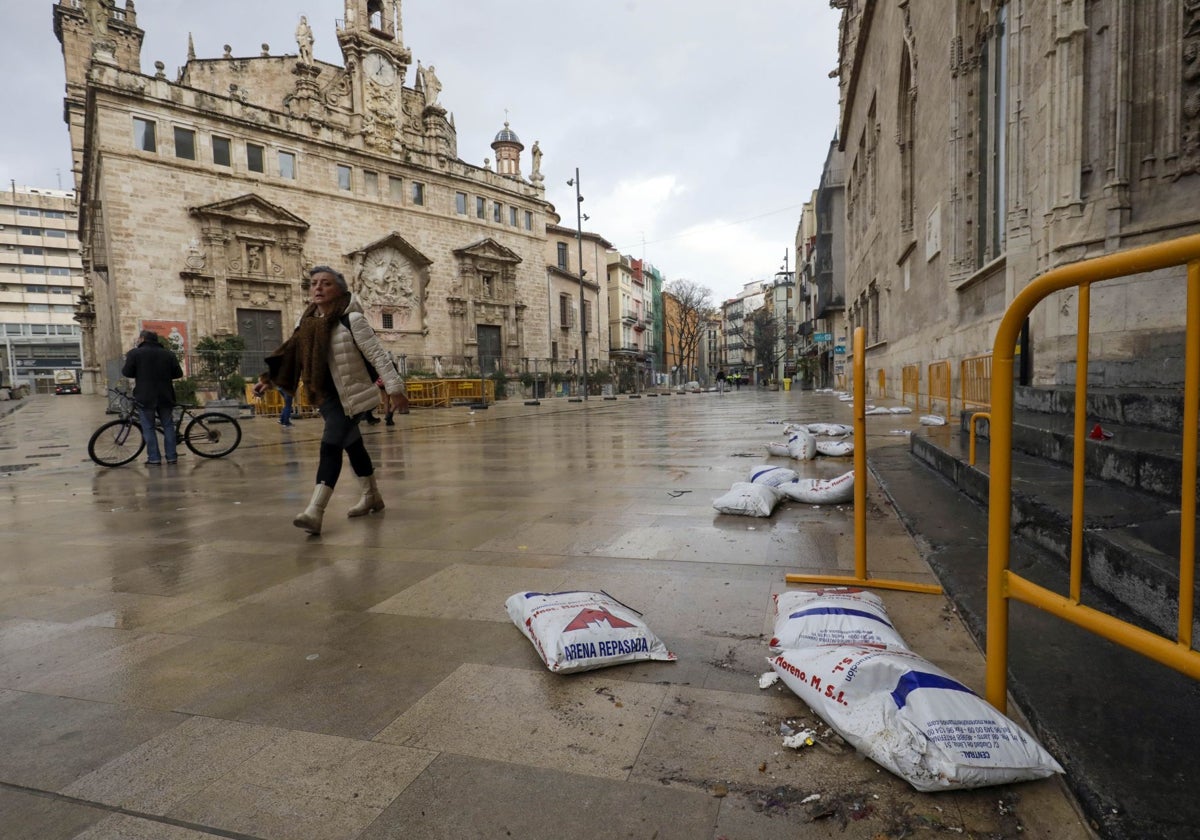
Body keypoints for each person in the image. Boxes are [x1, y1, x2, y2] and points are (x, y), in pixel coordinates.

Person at [255, 265, 407, 535]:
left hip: (353, 395)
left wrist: (395, 388)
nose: (318, 288)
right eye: (314, 283)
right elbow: (290, 353)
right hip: (325, 396)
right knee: (353, 445)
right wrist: (267, 380)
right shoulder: (307, 323)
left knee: (330, 445)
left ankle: (315, 511)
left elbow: (377, 356)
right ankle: (372, 496)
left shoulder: (353, 320)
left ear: (340, 290)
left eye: (325, 283)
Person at [121, 329, 184, 466]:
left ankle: (154, 458)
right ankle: (172, 457)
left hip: (145, 396)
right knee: (168, 426)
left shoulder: (135, 353)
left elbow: (127, 372)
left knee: (148, 427)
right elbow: (178, 373)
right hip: (165, 396)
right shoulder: (168, 354)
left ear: (142, 339)